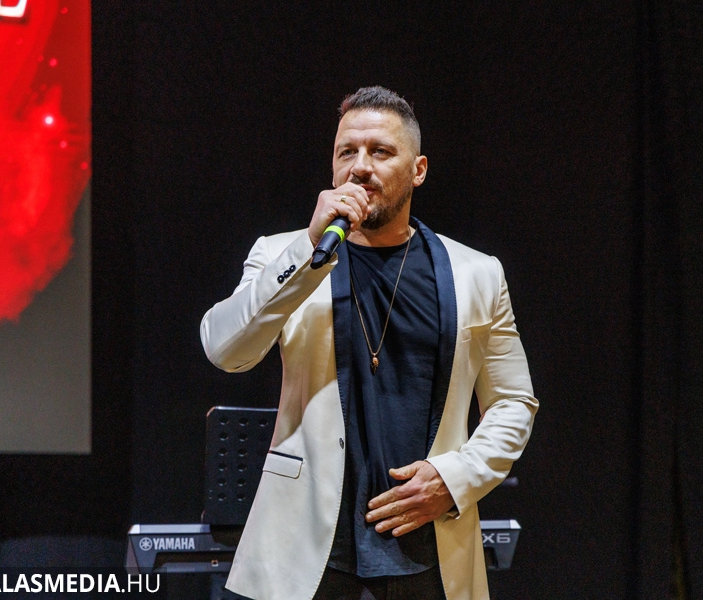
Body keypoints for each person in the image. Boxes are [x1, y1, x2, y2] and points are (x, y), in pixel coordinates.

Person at [201, 86, 538, 600]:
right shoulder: (282, 255)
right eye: (347, 152)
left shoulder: (478, 274)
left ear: (418, 170)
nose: (360, 167)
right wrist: (308, 247)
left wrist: (454, 478)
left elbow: (513, 401)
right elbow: (225, 349)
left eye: (380, 151)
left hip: (426, 544)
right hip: (306, 550)